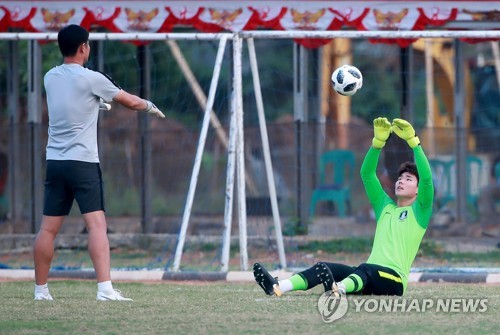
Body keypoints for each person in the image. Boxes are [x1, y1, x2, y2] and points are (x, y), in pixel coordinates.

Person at [33, 24, 165, 301]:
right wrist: (151, 107)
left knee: (47, 229)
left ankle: (40, 290)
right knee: (96, 227)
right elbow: (129, 101)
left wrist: (98, 104)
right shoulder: (92, 79)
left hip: (55, 162)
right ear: (83, 47)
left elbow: (73, 101)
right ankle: (105, 289)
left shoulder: (50, 77)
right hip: (82, 163)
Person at [254, 117, 434, 297]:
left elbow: (426, 179)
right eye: (400, 178)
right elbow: (367, 174)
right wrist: (377, 143)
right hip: (368, 274)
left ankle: (338, 289)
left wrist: (414, 142)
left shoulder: (420, 210)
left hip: (393, 281)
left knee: (365, 269)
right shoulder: (385, 206)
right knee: (323, 267)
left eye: (408, 179)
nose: (401, 181)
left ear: (419, 190)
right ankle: (278, 286)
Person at [478, 154, 500, 228]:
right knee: (485, 190)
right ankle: (492, 220)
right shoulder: (498, 158)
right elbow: (492, 178)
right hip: (498, 187)